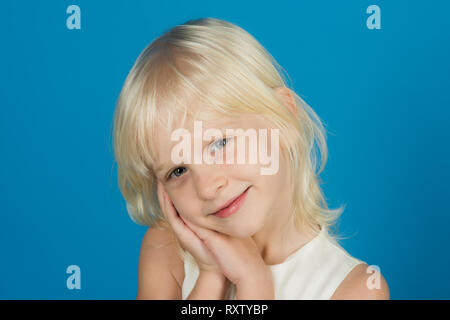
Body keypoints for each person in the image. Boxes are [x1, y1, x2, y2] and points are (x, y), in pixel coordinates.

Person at [112, 17, 389, 300]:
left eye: (220, 143)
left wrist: (254, 284)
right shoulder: (166, 252)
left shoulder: (355, 289)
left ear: (284, 123)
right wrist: (211, 276)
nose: (207, 187)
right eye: (179, 170)